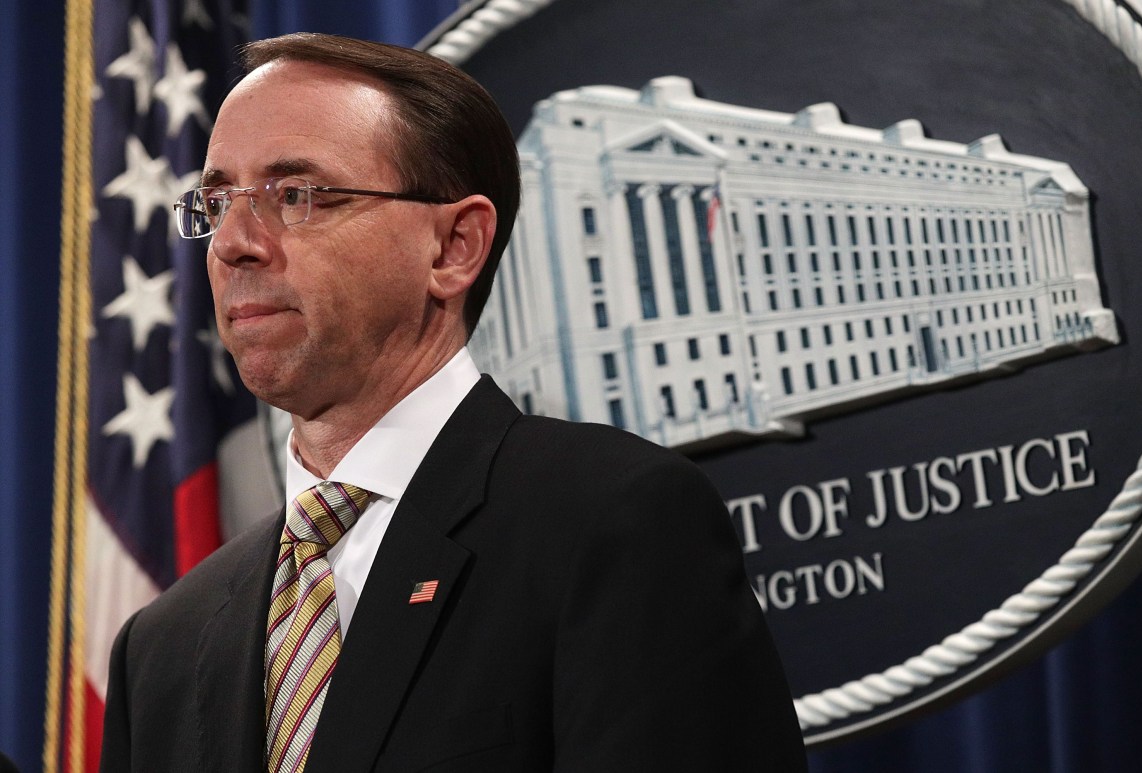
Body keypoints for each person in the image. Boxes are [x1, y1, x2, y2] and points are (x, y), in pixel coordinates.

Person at [99, 32, 807, 773]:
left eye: (295, 194)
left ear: (454, 247)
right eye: (216, 201)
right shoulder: (162, 647)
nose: (234, 242)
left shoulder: (611, 527)